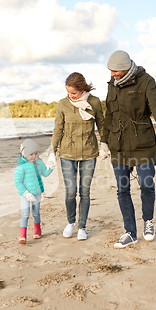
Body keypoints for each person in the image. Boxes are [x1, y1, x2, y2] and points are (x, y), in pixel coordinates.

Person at [100, 50, 156, 248]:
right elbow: (109, 115)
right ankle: (130, 232)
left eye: (115, 71)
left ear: (126, 68)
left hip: (143, 144)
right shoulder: (111, 86)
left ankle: (148, 221)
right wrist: (104, 141)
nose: (112, 75)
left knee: (146, 185)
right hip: (119, 146)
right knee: (122, 190)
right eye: (110, 71)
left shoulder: (146, 81)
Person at [50, 72, 107, 240]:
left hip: (89, 153)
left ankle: (82, 227)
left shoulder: (94, 102)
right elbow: (57, 129)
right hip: (67, 154)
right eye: (68, 92)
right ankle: (70, 222)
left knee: (85, 192)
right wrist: (52, 152)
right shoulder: (63, 104)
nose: (71, 96)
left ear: (82, 89)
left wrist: (105, 144)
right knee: (70, 191)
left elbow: (102, 125)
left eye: (74, 93)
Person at [14, 139, 55, 244]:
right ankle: (23, 235)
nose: (34, 156)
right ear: (25, 154)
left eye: (36, 153)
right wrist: (26, 193)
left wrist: (50, 167)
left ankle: (37, 231)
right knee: (25, 213)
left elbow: (45, 173)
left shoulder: (39, 162)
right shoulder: (21, 166)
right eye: (31, 154)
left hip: (37, 193)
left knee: (36, 213)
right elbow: (18, 182)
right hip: (25, 194)